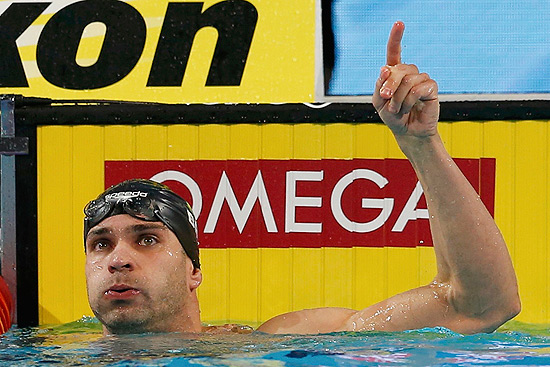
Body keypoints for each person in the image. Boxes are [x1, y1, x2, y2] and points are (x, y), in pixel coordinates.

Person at [83, 21, 520, 336]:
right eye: (100, 243)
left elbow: (480, 307)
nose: (117, 260)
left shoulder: (278, 345)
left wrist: (421, 144)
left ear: (193, 271)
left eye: (146, 239)